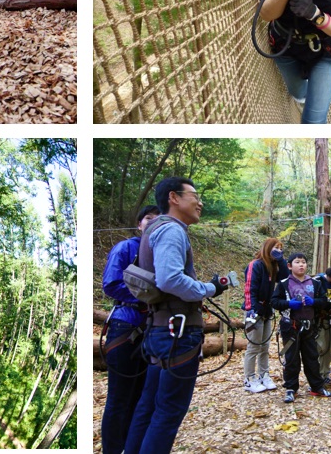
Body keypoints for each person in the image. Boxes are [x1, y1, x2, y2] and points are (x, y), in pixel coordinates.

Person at [124, 177, 231, 454]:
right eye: (195, 195)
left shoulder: (153, 230)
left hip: (160, 330)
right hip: (177, 334)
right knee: (168, 411)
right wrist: (209, 288)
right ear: (174, 197)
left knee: (149, 406)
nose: (200, 202)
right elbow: (170, 280)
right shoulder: (171, 230)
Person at [99, 204, 160, 454]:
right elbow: (111, 284)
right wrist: (147, 297)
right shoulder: (126, 248)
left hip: (153, 330)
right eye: (148, 218)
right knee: (119, 398)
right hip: (125, 326)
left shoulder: (162, 253)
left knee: (141, 396)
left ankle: (130, 447)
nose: (153, 223)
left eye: (158, 219)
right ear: (139, 223)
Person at [271, 253, 331, 402]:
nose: (301, 265)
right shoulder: (284, 283)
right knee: (291, 358)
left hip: (310, 326)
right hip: (290, 326)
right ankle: (291, 388)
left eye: (304, 262)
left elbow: (325, 301)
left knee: (312, 357)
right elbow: (274, 301)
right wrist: (288, 304)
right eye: (297, 262)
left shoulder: (315, 283)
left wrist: (314, 302)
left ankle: (316, 387)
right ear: (290, 266)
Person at [240, 238, 288, 393]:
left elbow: (285, 280)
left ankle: (263, 375)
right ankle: (249, 378)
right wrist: (252, 309)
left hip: (268, 311)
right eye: (276, 248)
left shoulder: (274, 266)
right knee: (253, 346)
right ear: (268, 248)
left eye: (281, 249)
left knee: (265, 346)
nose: (278, 251)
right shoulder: (256, 265)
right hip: (255, 311)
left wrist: (281, 261)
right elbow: (250, 289)